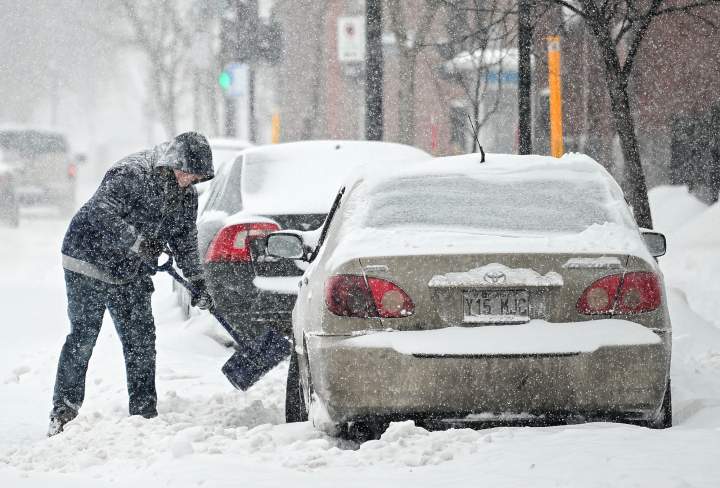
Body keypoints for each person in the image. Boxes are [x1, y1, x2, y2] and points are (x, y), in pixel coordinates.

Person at [48, 132, 215, 436]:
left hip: (129, 269)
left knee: (141, 339)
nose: (189, 179)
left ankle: (144, 415)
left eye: (196, 176)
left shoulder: (186, 196)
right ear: (172, 162)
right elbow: (100, 212)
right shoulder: (132, 174)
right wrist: (137, 242)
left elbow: (185, 240)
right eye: (186, 171)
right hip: (87, 258)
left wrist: (197, 280)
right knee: (84, 336)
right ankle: (63, 413)